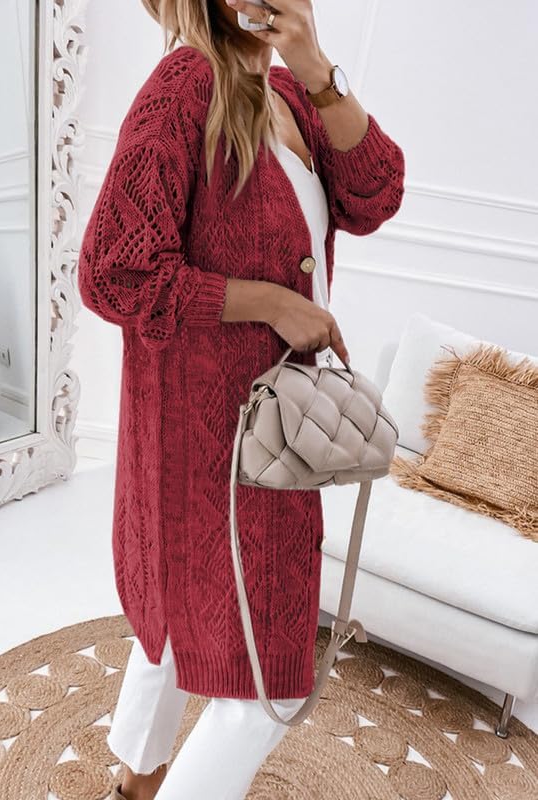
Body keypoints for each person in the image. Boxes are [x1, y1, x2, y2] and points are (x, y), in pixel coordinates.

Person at [77, 0, 405, 797]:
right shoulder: (182, 89)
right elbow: (113, 271)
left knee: (180, 617)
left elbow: (375, 195)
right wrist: (269, 302)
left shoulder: (292, 92)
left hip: (263, 428)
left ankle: (135, 782)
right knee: (270, 685)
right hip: (210, 439)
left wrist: (315, 64)